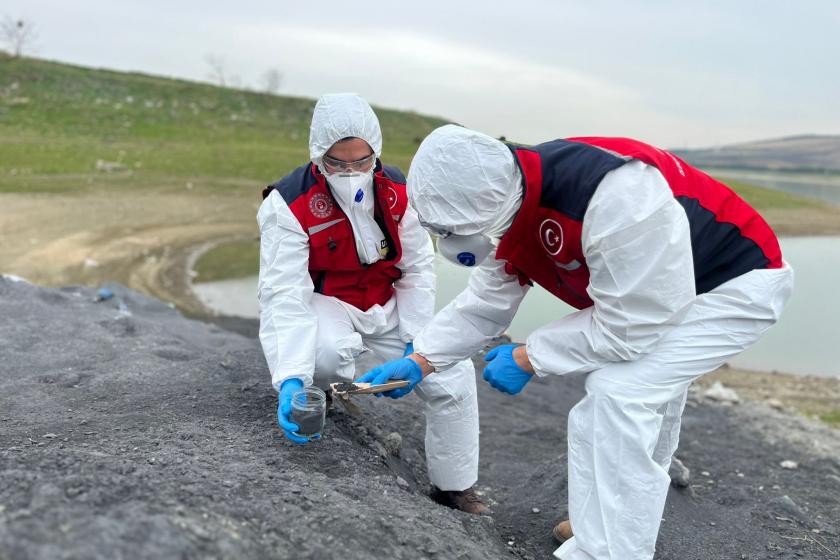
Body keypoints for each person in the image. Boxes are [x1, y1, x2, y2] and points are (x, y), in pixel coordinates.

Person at [358, 124, 793, 559]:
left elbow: (632, 325)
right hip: (664, 294)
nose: (456, 244)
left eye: (456, 231)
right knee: (642, 393)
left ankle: (612, 550)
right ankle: (602, 525)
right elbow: (485, 303)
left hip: (731, 286)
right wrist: (422, 360)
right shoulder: (511, 200)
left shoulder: (615, 198)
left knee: (619, 393)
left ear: (483, 206)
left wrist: (531, 356)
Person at [256, 96, 487, 514]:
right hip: (329, 302)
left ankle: (454, 487)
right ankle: (318, 390)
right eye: (337, 164)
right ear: (317, 156)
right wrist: (290, 376)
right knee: (322, 357)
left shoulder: (400, 193)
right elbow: (283, 293)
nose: (350, 173)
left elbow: (418, 269)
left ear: (375, 154)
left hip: (390, 301)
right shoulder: (287, 205)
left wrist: (417, 346)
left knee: (454, 376)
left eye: (361, 162)